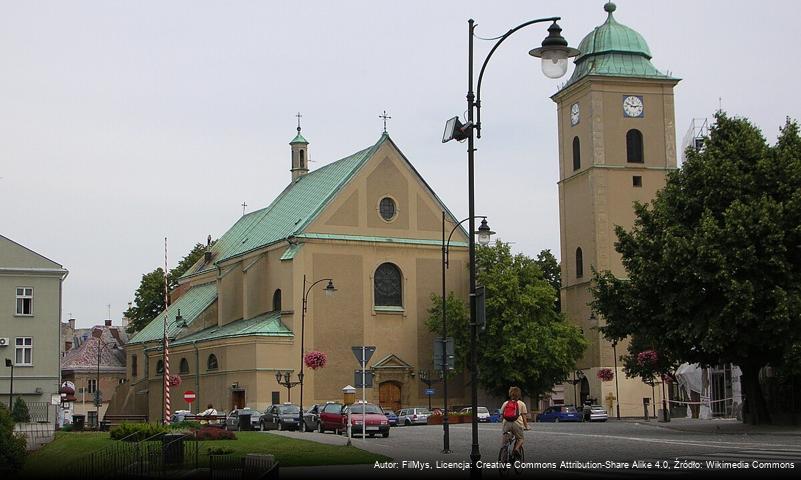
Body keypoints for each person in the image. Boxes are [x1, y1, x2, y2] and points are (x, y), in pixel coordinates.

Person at [500, 386, 529, 456]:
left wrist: (503, 424)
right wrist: (526, 426)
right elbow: (524, 417)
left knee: (505, 443)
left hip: (506, 424)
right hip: (517, 424)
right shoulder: (522, 404)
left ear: (510, 394)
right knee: (520, 438)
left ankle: (503, 460)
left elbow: (501, 416)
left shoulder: (506, 403)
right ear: (519, 395)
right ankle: (516, 448)